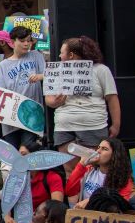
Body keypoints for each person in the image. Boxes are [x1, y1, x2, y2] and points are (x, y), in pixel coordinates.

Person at [45, 37, 120, 172]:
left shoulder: (101, 70)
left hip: (92, 126)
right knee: (70, 170)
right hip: (64, 127)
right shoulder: (56, 72)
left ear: (71, 55)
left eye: (62, 53)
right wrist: (56, 102)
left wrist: (116, 124)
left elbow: (112, 98)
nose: (59, 56)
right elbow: (49, 101)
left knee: (92, 168)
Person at [0, 25, 45, 150]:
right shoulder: (3, 65)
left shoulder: (36, 55)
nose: (26, 44)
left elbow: (50, 75)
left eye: (28, 40)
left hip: (33, 114)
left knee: (26, 150)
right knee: (13, 153)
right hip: (11, 117)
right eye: (22, 41)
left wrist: (40, 76)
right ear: (12, 42)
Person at [64, 137, 133, 207]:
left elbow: (121, 204)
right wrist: (81, 164)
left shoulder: (123, 178)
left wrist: (90, 200)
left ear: (114, 155)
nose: (98, 151)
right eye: (98, 147)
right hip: (84, 215)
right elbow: (70, 191)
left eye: (104, 149)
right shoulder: (88, 170)